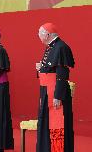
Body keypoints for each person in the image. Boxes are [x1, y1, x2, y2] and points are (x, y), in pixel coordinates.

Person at [36, 23, 74, 152]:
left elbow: (62, 74)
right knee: (46, 124)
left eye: (40, 33)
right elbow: (49, 69)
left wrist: (57, 96)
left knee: (57, 126)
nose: (38, 36)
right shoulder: (50, 47)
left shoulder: (60, 47)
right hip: (47, 91)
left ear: (47, 34)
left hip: (55, 93)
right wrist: (40, 68)